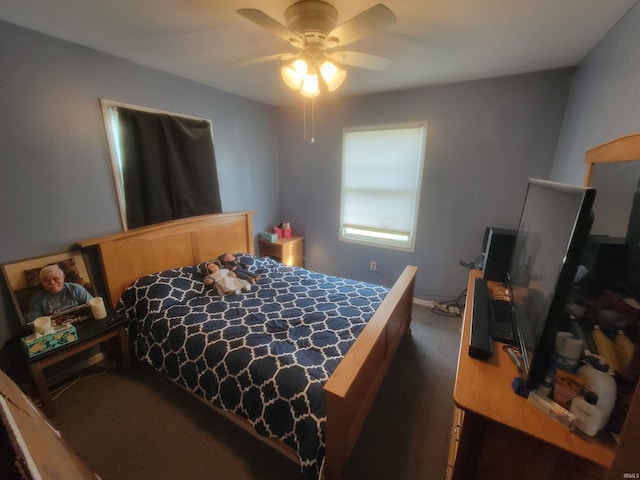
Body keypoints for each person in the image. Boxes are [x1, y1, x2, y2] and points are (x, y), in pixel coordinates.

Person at [27, 264, 93, 321]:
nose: (52, 283)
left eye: (55, 278)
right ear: (42, 283)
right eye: (47, 281)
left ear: (63, 277)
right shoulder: (37, 300)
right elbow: (34, 322)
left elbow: (92, 305)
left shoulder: (76, 289)